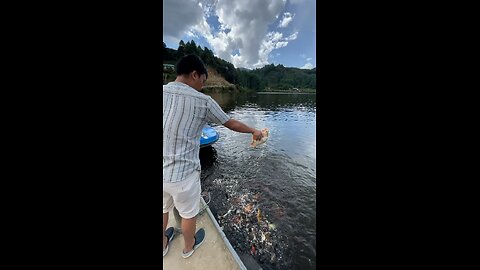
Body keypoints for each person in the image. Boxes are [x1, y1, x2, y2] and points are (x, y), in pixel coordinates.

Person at [163, 54, 263, 258]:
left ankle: (163, 243)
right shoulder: (203, 101)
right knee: (188, 214)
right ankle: (188, 247)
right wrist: (254, 130)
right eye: (202, 80)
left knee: (163, 209)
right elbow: (230, 123)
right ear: (194, 74)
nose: (202, 85)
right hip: (184, 174)